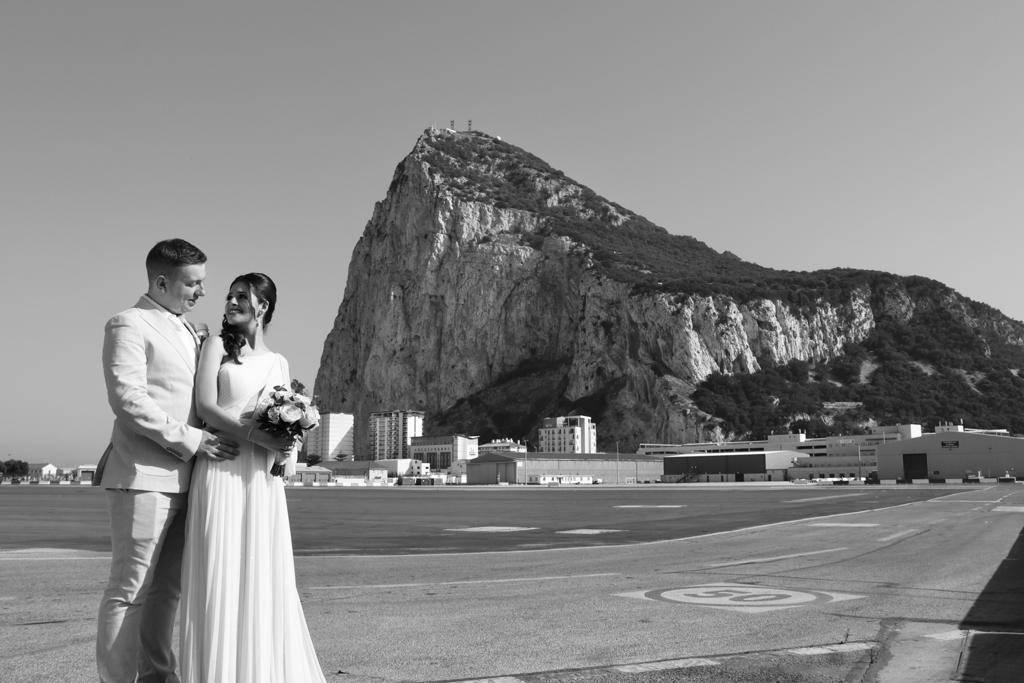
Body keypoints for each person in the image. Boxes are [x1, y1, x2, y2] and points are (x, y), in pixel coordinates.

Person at [97, 238, 240, 683]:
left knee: (167, 590)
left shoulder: (192, 332)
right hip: (143, 477)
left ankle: (159, 676)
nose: (202, 292)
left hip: (193, 481)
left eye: (203, 282)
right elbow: (128, 400)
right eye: (193, 283)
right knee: (130, 590)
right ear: (161, 282)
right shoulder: (128, 324)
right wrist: (193, 440)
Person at [180, 272, 327, 682]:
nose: (231, 302)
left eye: (241, 296)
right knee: (219, 570)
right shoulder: (216, 347)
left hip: (262, 480)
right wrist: (256, 435)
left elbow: (286, 426)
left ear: (263, 306)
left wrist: (287, 447)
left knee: (262, 571)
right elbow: (206, 407)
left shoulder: (279, 362)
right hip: (222, 468)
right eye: (230, 296)